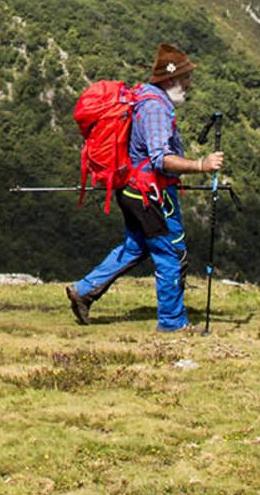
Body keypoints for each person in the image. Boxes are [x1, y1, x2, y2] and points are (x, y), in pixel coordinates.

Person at [64, 43, 224, 331]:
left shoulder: (145, 97)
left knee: (137, 246)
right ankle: (173, 323)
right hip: (151, 194)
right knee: (171, 254)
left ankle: (84, 290)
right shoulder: (155, 109)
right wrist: (201, 165)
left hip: (133, 190)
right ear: (172, 80)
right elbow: (161, 159)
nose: (190, 84)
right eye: (186, 78)